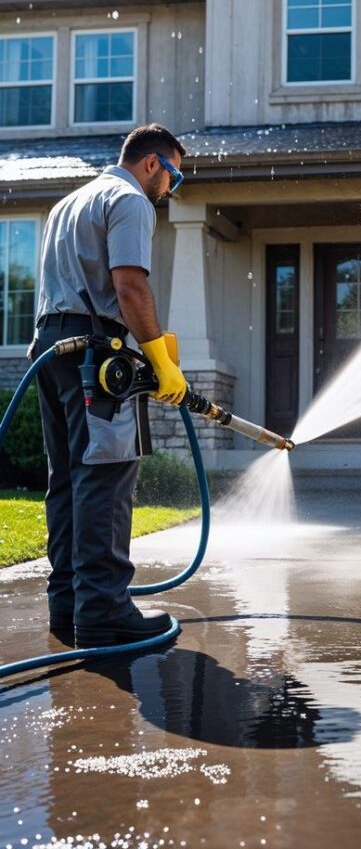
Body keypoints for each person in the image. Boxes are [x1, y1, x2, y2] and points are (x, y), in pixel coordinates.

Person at [30, 123, 189, 649]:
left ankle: (68, 605)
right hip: (96, 356)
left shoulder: (68, 204)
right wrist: (160, 359)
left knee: (69, 480)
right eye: (174, 176)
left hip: (50, 351)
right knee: (106, 478)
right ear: (152, 165)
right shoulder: (130, 199)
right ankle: (103, 612)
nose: (171, 189)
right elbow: (129, 285)